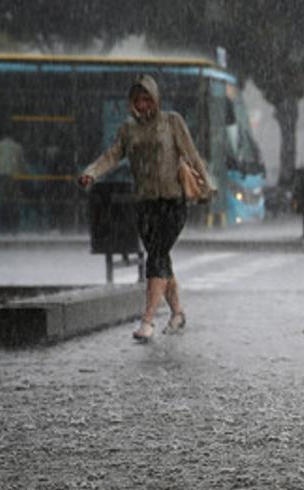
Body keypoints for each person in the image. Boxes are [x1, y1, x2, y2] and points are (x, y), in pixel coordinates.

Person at [78, 75, 212, 341]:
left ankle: (147, 320)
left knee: (157, 257)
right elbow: (113, 155)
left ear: (156, 99)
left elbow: (192, 154)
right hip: (144, 204)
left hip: (173, 202)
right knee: (161, 258)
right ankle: (177, 313)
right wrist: (92, 173)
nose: (142, 104)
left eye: (147, 99)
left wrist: (206, 187)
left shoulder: (172, 122)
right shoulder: (128, 130)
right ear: (131, 102)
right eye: (137, 100)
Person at [0, 133, 25, 233]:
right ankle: (14, 226)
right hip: (15, 175)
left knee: (4, 199)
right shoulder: (18, 147)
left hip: (2, 175)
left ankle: (3, 225)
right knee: (14, 200)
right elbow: (22, 163)